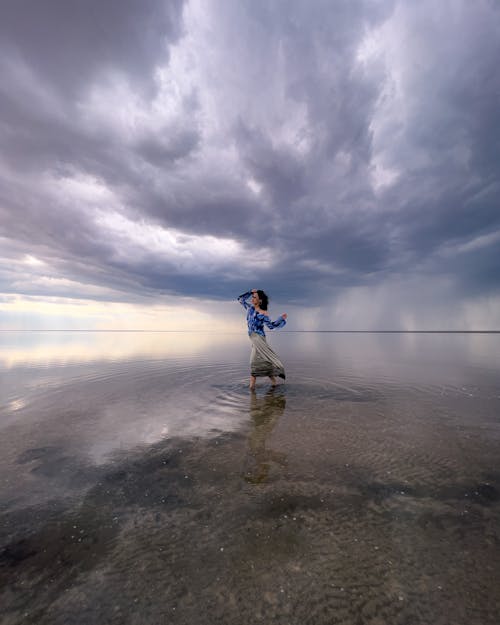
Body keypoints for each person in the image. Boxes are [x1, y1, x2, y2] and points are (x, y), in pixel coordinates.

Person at [237, 289, 288, 390]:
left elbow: (271, 326)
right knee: (264, 361)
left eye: (254, 297)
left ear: (260, 301)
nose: (252, 299)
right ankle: (274, 384)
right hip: (253, 339)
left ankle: (251, 390)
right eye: (252, 297)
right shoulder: (249, 309)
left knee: (253, 363)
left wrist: (281, 319)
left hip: (260, 339)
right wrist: (250, 292)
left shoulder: (263, 313)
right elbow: (240, 299)